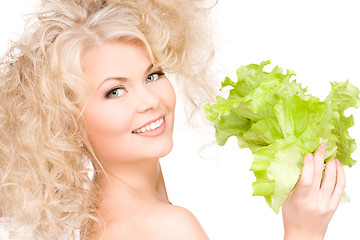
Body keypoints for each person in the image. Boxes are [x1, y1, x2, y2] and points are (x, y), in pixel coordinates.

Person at [0, 0, 345, 239]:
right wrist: (304, 232)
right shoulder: (164, 226)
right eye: (115, 92)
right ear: (66, 124)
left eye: (153, 75)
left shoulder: (104, 219)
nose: (151, 101)